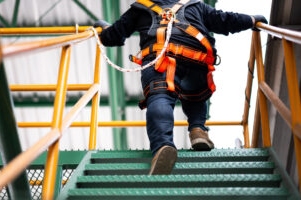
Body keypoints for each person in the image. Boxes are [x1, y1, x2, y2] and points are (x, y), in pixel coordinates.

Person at [94, 0, 267, 175]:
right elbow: (224, 20)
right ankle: (198, 129)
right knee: (195, 96)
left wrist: (103, 29)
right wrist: (251, 20)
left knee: (160, 97)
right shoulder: (196, 6)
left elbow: (114, 36)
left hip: (160, 60)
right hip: (196, 61)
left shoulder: (139, 8)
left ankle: (163, 145)